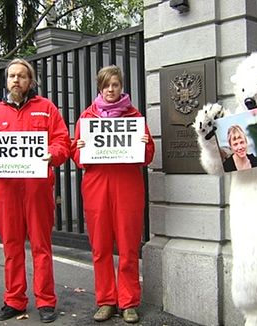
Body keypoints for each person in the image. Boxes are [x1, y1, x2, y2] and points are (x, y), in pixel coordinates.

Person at [0, 58, 70, 323]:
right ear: (6, 80)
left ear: (30, 81)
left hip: (38, 189)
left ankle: (45, 301)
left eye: (22, 76)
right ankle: (14, 299)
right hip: (6, 191)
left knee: (41, 246)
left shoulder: (46, 108)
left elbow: (62, 142)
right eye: (12, 76)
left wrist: (52, 154)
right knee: (11, 246)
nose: (16, 81)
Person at [71, 65, 155, 324]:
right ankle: (106, 300)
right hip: (97, 186)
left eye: (115, 85)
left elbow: (149, 155)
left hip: (127, 186)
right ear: (100, 87)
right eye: (106, 85)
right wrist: (80, 148)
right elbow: (76, 155)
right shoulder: (86, 117)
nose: (110, 89)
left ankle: (128, 302)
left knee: (129, 246)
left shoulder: (135, 116)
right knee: (101, 246)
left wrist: (144, 145)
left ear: (121, 87)